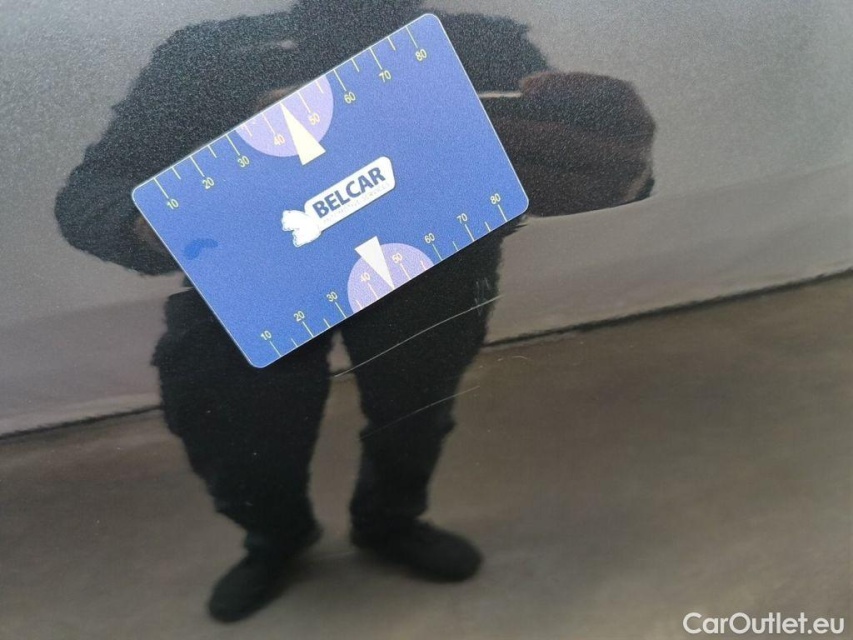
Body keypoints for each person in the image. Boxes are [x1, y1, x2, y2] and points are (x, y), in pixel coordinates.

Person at [55, 0, 655, 623]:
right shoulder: (205, 56)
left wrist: (620, 172)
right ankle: (276, 538)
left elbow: (566, 155)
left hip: (430, 275)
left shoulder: (478, 41)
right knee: (239, 432)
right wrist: (147, 223)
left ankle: (389, 522)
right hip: (256, 288)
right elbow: (89, 194)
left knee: (415, 415)